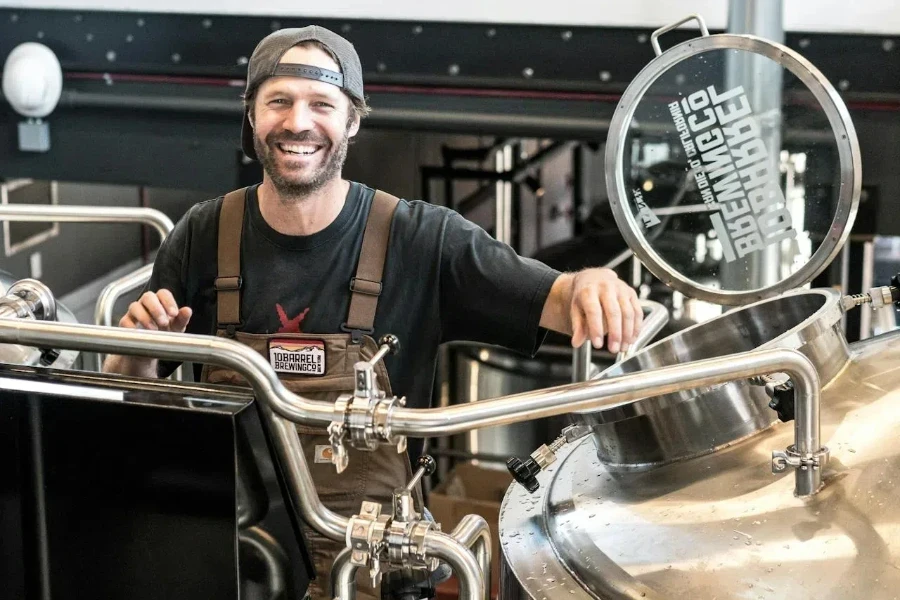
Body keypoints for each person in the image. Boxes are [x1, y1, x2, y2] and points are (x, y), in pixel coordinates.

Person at [103, 25, 642, 600]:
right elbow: (129, 407)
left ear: (353, 121)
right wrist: (138, 351)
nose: (298, 123)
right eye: (278, 101)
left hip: (380, 573)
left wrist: (591, 284)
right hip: (237, 565)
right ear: (252, 116)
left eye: (322, 105)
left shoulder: (423, 240)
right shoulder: (201, 236)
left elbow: (555, 300)